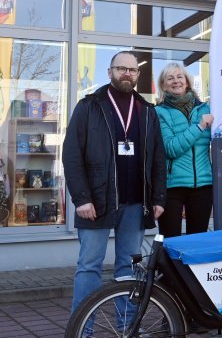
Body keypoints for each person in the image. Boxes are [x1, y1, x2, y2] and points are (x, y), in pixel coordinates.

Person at [62, 51, 167, 317]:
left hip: (135, 203)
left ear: (138, 75)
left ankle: (128, 328)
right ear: (110, 72)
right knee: (89, 266)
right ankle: (82, 331)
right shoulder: (89, 106)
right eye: (121, 69)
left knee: (128, 268)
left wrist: (158, 198)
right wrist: (81, 198)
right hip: (95, 202)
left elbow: (157, 157)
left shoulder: (146, 111)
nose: (127, 74)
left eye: (132, 70)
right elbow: (72, 155)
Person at [155, 62, 215, 237]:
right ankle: (168, 266)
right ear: (163, 85)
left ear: (187, 82)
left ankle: (190, 267)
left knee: (197, 240)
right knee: (170, 240)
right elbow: (171, 148)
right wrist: (200, 126)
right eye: (170, 78)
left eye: (179, 76)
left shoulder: (206, 108)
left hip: (203, 184)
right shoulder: (159, 112)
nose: (176, 81)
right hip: (172, 186)